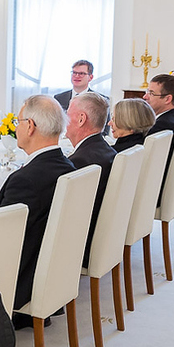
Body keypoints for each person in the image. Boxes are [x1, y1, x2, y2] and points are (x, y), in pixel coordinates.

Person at [0, 95, 76, 325]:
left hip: (20, 281)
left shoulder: (26, 181)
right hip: (50, 273)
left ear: (30, 126)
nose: (16, 127)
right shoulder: (68, 166)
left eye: (18, 122)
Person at [65, 93, 116, 265]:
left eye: (68, 113)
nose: (64, 118)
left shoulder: (80, 161)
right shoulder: (106, 150)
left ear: (81, 119)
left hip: (82, 244)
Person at [144, 73, 174, 189]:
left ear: (167, 99)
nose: (145, 97)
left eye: (151, 93)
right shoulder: (173, 118)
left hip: (154, 185)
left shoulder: (163, 125)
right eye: (147, 92)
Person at [54, 59, 111, 136]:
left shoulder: (101, 100)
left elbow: (104, 130)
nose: (77, 76)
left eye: (81, 73)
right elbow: (55, 125)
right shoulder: (59, 98)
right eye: (74, 72)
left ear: (90, 77)